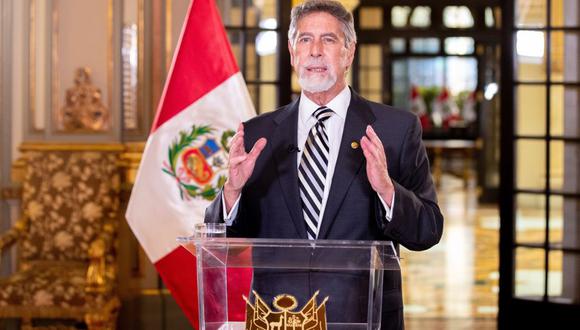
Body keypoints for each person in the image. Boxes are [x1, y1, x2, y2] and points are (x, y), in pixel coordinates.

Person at [205, 1, 444, 328]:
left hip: (361, 317)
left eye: (328, 40)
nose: (315, 51)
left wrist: (387, 191)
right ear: (292, 53)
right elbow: (219, 238)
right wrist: (232, 190)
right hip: (278, 316)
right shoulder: (258, 134)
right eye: (305, 40)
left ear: (349, 52)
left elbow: (428, 229)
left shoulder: (395, 130)